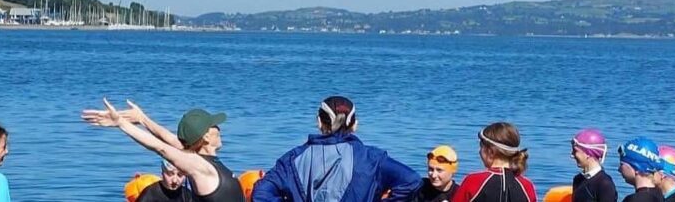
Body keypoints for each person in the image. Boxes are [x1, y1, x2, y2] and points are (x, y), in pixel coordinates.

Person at [251, 95, 421, 202]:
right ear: (354, 125)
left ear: (319, 122)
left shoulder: (292, 159)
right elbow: (412, 180)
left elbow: (261, 193)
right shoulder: (372, 159)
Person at [82, 99, 244, 202]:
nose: (218, 127)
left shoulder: (199, 158)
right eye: (214, 125)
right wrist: (123, 124)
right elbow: (161, 148)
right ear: (206, 137)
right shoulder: (201, 167)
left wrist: (142, 119)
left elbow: (170, 140)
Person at [452, 122, 536, 202]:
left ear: (491, 152)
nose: (479, 152)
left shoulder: (473, 181)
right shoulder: (527, 186)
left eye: (481, 147)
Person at [570, 129, 617, 202]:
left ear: (588, 153)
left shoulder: (604, 184)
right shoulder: (578, 179)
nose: (572, 155)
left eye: (575, 151)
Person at [617, 137, 664, 202]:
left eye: (622, 164)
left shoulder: (636, 200)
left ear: (636, 167)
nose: (619, 169)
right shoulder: (661, 194)